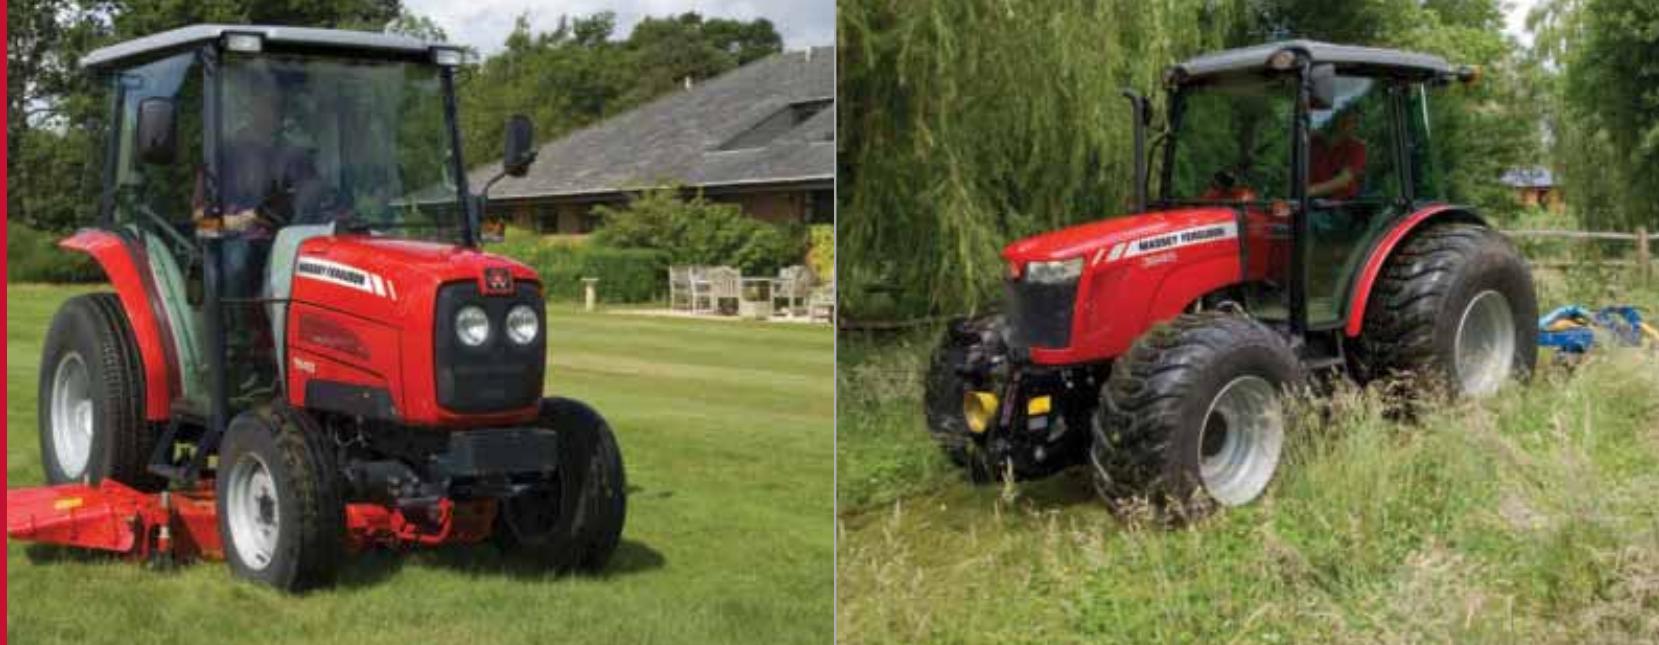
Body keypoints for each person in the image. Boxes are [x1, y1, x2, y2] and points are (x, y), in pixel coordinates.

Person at [1308, 109, 1366, 200]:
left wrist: (1308, 191)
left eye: (1353, 122)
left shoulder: (1356, 148)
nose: (1350, 125)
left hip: (1339, 205)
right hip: (1308, 202)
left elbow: (1342, 181)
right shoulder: (1314, 143)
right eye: (1344, 121)